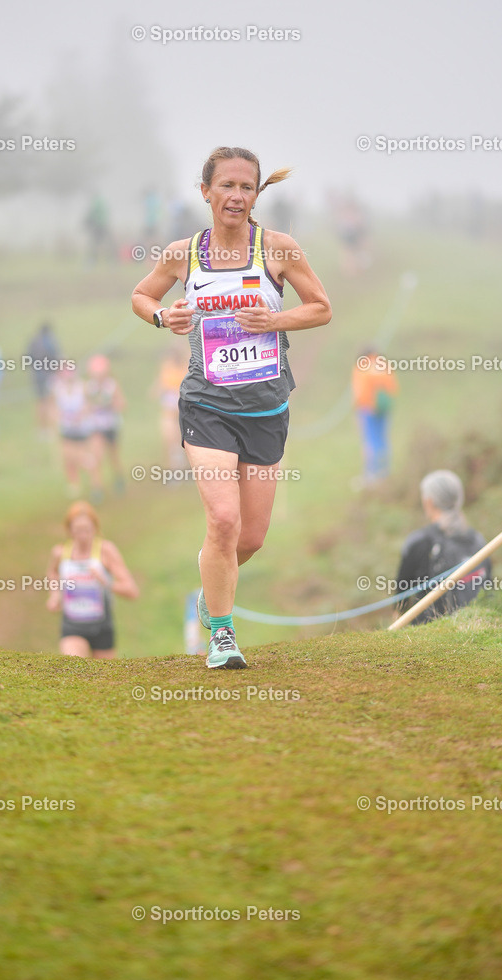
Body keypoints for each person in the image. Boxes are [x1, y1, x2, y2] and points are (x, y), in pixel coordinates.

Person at [132, 146, 332, 669]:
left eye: (247, 187)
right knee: (222, 520)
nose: (237, 197)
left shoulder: (279, 250)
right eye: (227, 186)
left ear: (257, 194)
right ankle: (222, 634)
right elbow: (141, 295)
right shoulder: (183, 254)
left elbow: (321, 308)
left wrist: (275, 322)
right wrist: (162, 318)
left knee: (250, 537)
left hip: (265, 408)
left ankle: (209, 588)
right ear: (206, 192)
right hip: (206, 404)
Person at [395, 470, 492, 625]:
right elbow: (488, 590)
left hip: (428, 635)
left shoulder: (419, 542)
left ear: (429, 501)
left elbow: (401, 600)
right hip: (476, 628)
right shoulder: (479, 541)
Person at [46, 501, 139, 659]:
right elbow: (52, 573)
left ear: (95, 528)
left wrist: (106, 582)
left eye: (87, 530)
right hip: (71, 626)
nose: (83, 536)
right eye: (78, 530)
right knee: (73, 666)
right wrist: (55, 595)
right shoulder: (60, 552)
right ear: (69, 530)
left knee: (105, 680)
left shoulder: (106, 551)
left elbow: (132, 591)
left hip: (102, 626)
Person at [351, 347, 399, 488]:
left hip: (368, 409)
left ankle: (371, 477)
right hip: (384, 408)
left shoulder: (361, 367)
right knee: (383, 440)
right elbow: (393, 388)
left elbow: (359, 392)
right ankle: (384, 474)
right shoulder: (384, 365)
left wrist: (358, 410)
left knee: (370, 441)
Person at [85, 354, 126, 501]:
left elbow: (122, 404)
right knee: (96, 456)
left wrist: (110, 404)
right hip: (96, 427)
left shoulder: (112, 386)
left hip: (111, 426)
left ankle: (118, 477)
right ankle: (97, 487)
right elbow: (85, 407)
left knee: (113, 455)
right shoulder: (89, 388)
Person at [51, 365, 92, 498]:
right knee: (68, 457)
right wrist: (57, 418)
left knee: (79, 455)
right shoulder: (58, 389)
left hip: (81, 428)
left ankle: (91, 478)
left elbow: (89, 404)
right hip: (66, 427)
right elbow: (54, 408)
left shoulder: (82, 387)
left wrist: (80, 415)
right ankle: (74, 484)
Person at [153, 344, 188, 471]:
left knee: (182, 436)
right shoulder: (167, 366)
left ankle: (182, 462)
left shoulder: (187, 366)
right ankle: (175, 465)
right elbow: (161, 382)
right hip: (170, 406)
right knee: (169, 436)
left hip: (183, 405)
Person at [25, 322, 61, 438]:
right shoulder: (49, 341)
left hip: (36, 375)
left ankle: (41, 429)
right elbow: (55, 356)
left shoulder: (33, 341)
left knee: (40, 402)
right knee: (50, 401)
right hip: (48, 375)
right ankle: (51, 429)